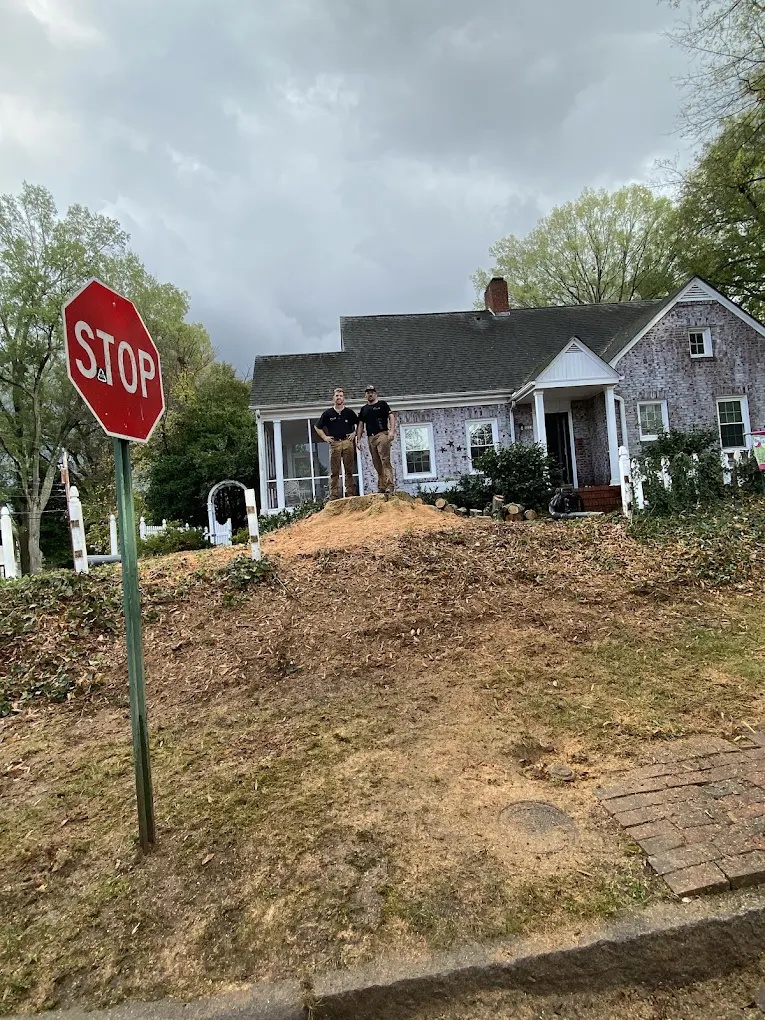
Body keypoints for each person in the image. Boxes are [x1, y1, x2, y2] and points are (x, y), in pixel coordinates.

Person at [314, 388, 359, 500]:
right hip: (335, 443)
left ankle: (350, 493)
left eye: (341, 396)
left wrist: (355, 433)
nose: (339, 397)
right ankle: (334, 495)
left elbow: (359, 424)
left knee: (349, 469)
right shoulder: (328, 414)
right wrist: (324, 437)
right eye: (337, 396)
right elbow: (317, 426)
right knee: (335, 471)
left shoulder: (349, 413)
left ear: (344, 398)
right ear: (333, 398)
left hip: (347, 442)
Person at [356, 385, 395, 495]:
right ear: (365, 395)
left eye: (372, 392)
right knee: (376, 462)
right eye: (368, 392)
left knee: (385, 460)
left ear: (376, 393)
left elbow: (391, 416)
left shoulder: (382, 405)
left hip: (382, 434)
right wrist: (358, 440)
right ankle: (381, 486)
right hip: (370, 437)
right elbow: (360, 425)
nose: (370, 394)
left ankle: (389, 485)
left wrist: (392, 431)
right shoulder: (364, 409)